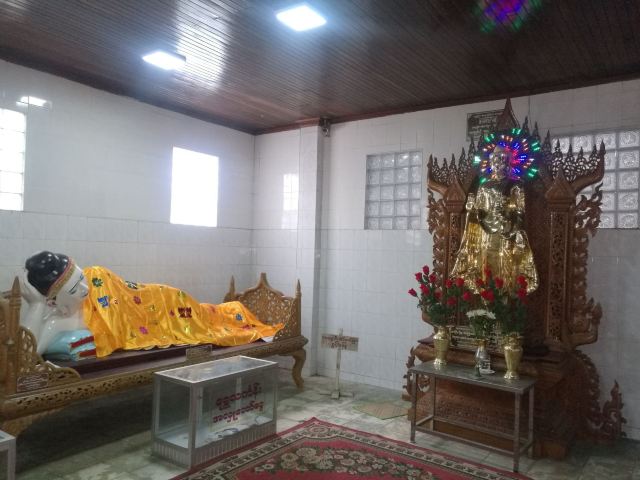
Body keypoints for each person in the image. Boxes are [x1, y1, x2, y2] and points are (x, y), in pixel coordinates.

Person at [20, 251, 283, 357]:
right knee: (203, 319)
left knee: (203, 315)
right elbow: (27, 353)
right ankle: (232, 312)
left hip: (156, 298)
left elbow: (118, 291)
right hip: (148, 321)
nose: (86, 289)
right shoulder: (58, 321)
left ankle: (235, 311)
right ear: (54, 300)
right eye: (76, 289)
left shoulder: (96, 275)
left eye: (82, 278)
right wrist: (36, 305)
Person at [451, 144, 538, 294]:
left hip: (506, 231)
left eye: (502, 160)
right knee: (486, 264)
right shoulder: (484, 186)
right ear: (491, 163)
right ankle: (487, 299)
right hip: (486, 232)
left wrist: (513, 225)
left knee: (505, 264)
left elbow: (519, 211)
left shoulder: (516, 185)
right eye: (496, 161)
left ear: (509, 163)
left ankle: (504, 299)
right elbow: (479, 210)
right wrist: (471, 208)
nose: (499, 164)